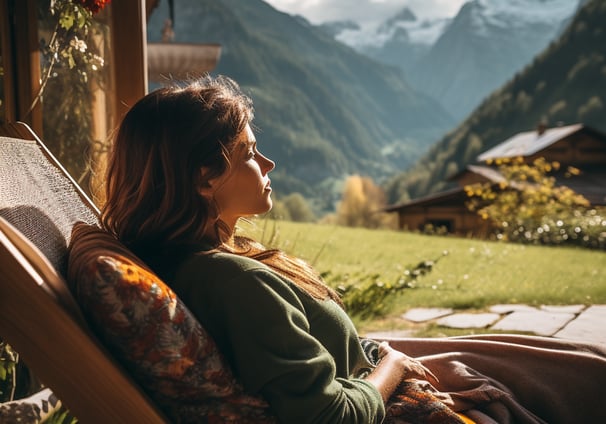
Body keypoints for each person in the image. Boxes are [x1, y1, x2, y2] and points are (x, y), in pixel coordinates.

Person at [101, 75, 606, 424]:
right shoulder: (233, 282)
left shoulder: (195, 261)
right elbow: (328, 417)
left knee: (560, 361)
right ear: (205, 178)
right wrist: (396, 365)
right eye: (250, 153)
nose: (269, 163)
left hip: (367, 365)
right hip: (384, 392)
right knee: (575, 376)